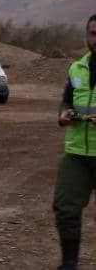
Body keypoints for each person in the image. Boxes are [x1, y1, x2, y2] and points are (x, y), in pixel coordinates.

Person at [54, 14, 96, 269]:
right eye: (93, 33)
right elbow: (67, 100)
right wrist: (63, 114)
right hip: (77, 154)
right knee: (65, 207)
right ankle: (69, 262)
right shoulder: (76, 68)